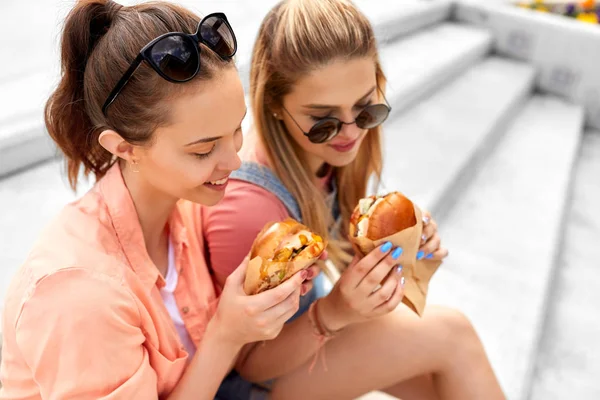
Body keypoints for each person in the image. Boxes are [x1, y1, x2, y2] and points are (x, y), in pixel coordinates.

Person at [0, 1, 311, 398]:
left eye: (236, 130)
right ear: (126, 148)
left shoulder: (185, 204)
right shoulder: (78, 295)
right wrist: (227, 334)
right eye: (203, 151)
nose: (233, 161)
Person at [202, 0, 506, 399]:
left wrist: (405, 253)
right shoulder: (251, 208)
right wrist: (334, 313)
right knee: (453, 335)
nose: (350, 133)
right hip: (251, 382)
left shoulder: (325, 151)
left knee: (444, 383)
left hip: (303, 341)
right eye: (323, 119)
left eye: (366, 109)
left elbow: (350, 264)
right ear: (274, 105)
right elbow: (244, 361)